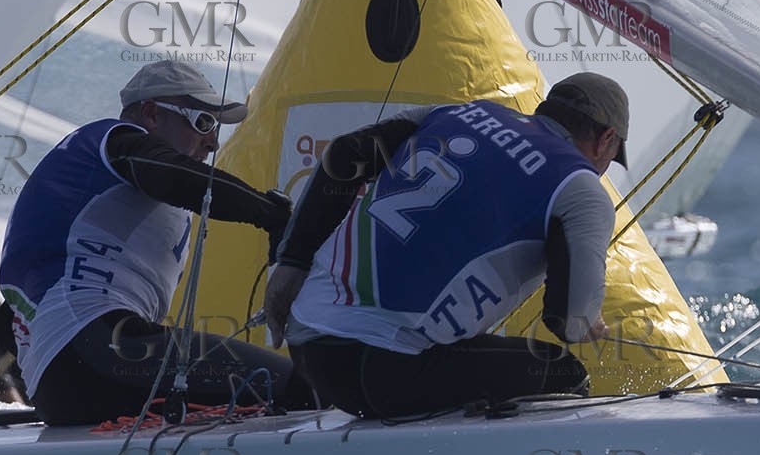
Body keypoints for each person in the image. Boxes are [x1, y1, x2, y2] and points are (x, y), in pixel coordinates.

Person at [263, 72, 628, 419]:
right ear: (606, 139)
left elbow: (344, 154)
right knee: (562, 374)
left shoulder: (460, 112)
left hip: (306, 340)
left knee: (463, 350)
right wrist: (589, 323)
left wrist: (293, 262)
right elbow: (570, 323)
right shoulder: (580, 189)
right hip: (380, 371)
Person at [0, 60, 312, 425]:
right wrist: (271, 213)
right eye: (203, 122)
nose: (212, 142)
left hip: (72, 369)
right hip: (96, 348)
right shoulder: (111, 141)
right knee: (300, 389)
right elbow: (172, 175)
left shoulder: (116, 194)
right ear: (150, 113)